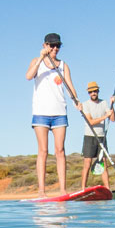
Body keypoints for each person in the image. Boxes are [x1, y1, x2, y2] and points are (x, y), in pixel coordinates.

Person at [26, 32, 81, 196]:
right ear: (45, 46)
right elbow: (29, 76)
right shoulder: (37, 62)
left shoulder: (63, 65)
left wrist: (76, 100)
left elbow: (70, 85)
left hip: (59, 112)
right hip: (41, 112)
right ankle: (41, 191)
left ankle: (63, 190)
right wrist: (41, 59)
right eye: (52, 45)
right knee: (43, 151)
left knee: (60, 151)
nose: (55, 48)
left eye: (58, 45)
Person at [76, 81, 115, 190]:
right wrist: (104, 117)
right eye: (91, 92)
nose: (93, 93)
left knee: (103, 162)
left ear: (98, 91)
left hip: (102, 137)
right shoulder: (86, 105)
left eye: (95, 91)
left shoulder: (104, 103)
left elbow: (112, 119)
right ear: (89, 93)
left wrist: (112, 105)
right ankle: (83, 188)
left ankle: (107, 188)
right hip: (90, 136)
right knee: (87, 163)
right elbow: (91, 122)